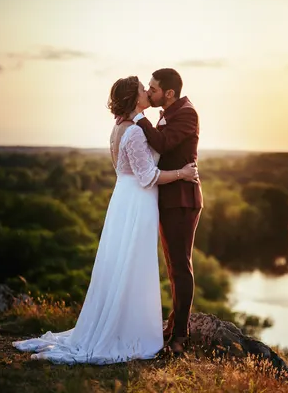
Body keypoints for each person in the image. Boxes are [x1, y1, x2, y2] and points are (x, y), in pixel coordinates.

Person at [12, 76, 199, 364]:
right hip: (138, 201)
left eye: (151, 88)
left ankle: (139, 324)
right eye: (143, 90)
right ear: (135, 99)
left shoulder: (119, 128)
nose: (148, 92)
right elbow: (148, 176)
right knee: (133, 265)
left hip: (126, 199)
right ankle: (129, 331)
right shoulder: (135, 131)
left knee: (125, 263)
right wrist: (182, 174)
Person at [127, 68, 203, 355]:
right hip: (168, 198)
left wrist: (137, 118)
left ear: (169, 93)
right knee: (173, 267)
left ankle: (180, 336)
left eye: (154, 88)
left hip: (182, 200)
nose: (149, 91)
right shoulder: (170, 112)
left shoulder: (186, 113)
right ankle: (173, 325)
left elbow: (163, 143)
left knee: (181, 267)